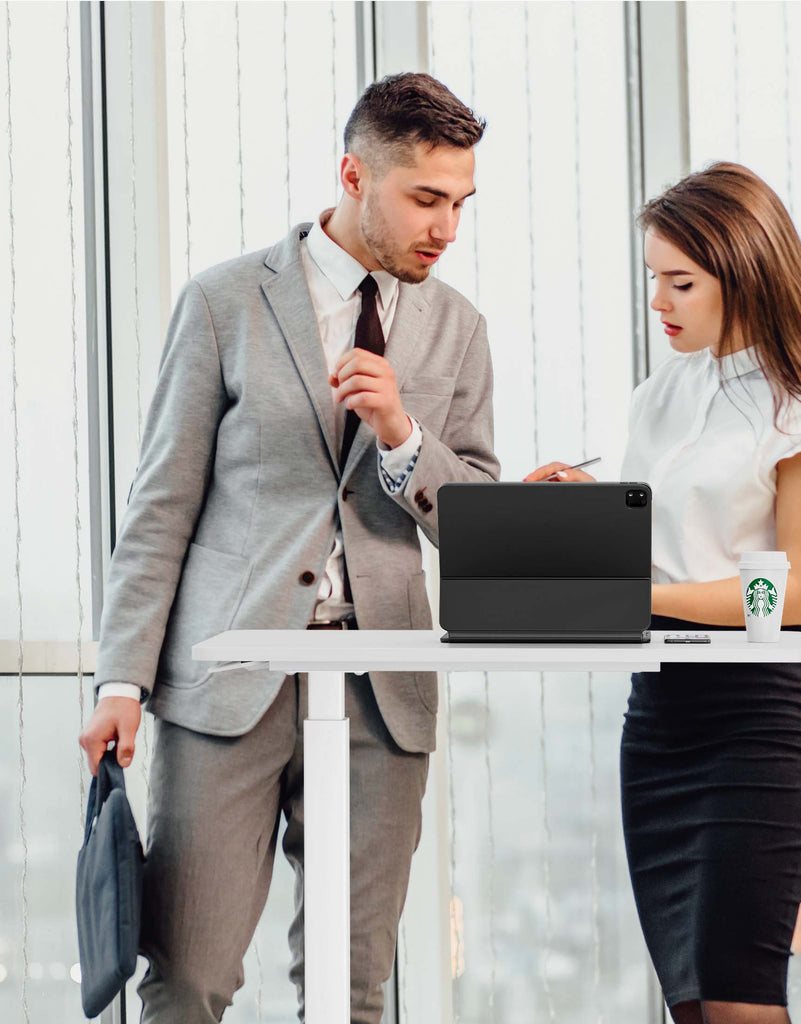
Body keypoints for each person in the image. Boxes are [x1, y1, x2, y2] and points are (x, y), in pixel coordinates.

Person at [78, 72, 499, 1024]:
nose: (446, 228)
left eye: (460, 203)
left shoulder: (459, 329)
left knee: (353, 991)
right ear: (354, 174)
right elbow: (159, 509)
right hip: (231, 681)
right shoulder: (226, 302)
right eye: (425, 199)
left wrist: (402, 437)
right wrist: (120, 682)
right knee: (186, 974)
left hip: (381, 688)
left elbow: (476, 525)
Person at [526, 162, 801, 1024]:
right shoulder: (659, 396)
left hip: (758, 716)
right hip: (661, 716)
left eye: (680, 281)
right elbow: (666, 552)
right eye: (654, 277)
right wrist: (591, 519)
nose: (660, 300)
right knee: (689, 1001)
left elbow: (798, 590)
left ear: (748, 273)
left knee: (737, 998)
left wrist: (641, 598)